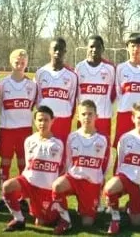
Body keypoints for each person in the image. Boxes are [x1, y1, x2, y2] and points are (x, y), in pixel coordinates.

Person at [51, 100, 111, 235]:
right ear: (78, 116)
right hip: (74, 178)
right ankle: (65, 220)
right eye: (83, 114)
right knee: (57, 186)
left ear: (97, 116)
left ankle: (85, 204)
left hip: (91, 183)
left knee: (87, 223)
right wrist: (69, 175)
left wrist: (99, 182)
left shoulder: (103, 138)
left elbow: (106, 164)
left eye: (90, 114)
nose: (87, 117)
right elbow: (68, 161)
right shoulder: (72, 137)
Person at [2, 106, 64, 231]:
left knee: (41, 222)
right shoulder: (29, 140)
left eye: (46, 120)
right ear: (35, 121)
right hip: (28, 182)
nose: (42, 123)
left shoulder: (58, 143)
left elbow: (62, 169)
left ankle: (54, 210)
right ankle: (19, 219)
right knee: (7, 186)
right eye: (40, 120)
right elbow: (28, 165)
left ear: (53, 121)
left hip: (45, 188)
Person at [104, 101, 140, 234]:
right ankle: (115, 218)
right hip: (126, 178)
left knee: (137, 223)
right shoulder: (125, 138)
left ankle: (130, 208)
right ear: (133, 118)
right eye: (139, 117)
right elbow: (120, 162)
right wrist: (117, 179)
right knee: (109, 189)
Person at [0, 49, 37, 211]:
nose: (19, 65)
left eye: (22, 62)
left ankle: (22, 197)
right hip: (7, 128)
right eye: (16, 62)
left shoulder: (32, 85)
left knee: (23, 163)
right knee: (5, 162)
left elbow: (32, 106)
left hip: (24, 130)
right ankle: (3, 196)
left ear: (26, 63)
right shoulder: (3, 84)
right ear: (10, 62)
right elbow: (0, 106)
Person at [114, 33, 140, 149]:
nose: (135, 49)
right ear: (127, 47)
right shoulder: (120, 68)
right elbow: (118, 91)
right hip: (125, 114)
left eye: (138, 46)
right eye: (132, 46)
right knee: (122, 147)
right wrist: (123, 105)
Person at [35, 37, 77, 147]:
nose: (57, 52)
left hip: (63, 120)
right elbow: (38, 97)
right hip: (45, 120)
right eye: (55, 48)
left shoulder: (72, 75)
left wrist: (66, 115)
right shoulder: (40, 73)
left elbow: (72, 100)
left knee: (61, 151)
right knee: (44, 149)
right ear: (49, 50)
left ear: (65, 52)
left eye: (61, 49)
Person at [75, 35, 115, 140]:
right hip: (84, 117)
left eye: (98, 47)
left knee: (102, 149)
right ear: (87, 48)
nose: (94, 49)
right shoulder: (79, 68)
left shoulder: (110, 68)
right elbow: (76, 94)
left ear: (103, 49)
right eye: (91, 46)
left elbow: (114, 93)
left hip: (103, 117)